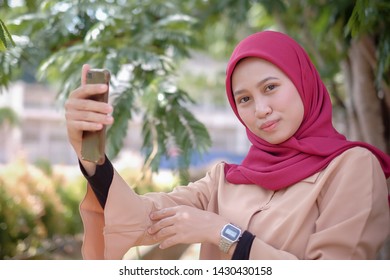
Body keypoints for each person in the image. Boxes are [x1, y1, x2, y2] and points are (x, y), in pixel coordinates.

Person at [65, 30, 390, 260]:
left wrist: (223, 233)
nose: (260, 109)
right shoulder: (226, 180)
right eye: (245, 99)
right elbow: (140, 219)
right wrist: (91, 155)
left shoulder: (353, 167)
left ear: (304, 82)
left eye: (271, 87)